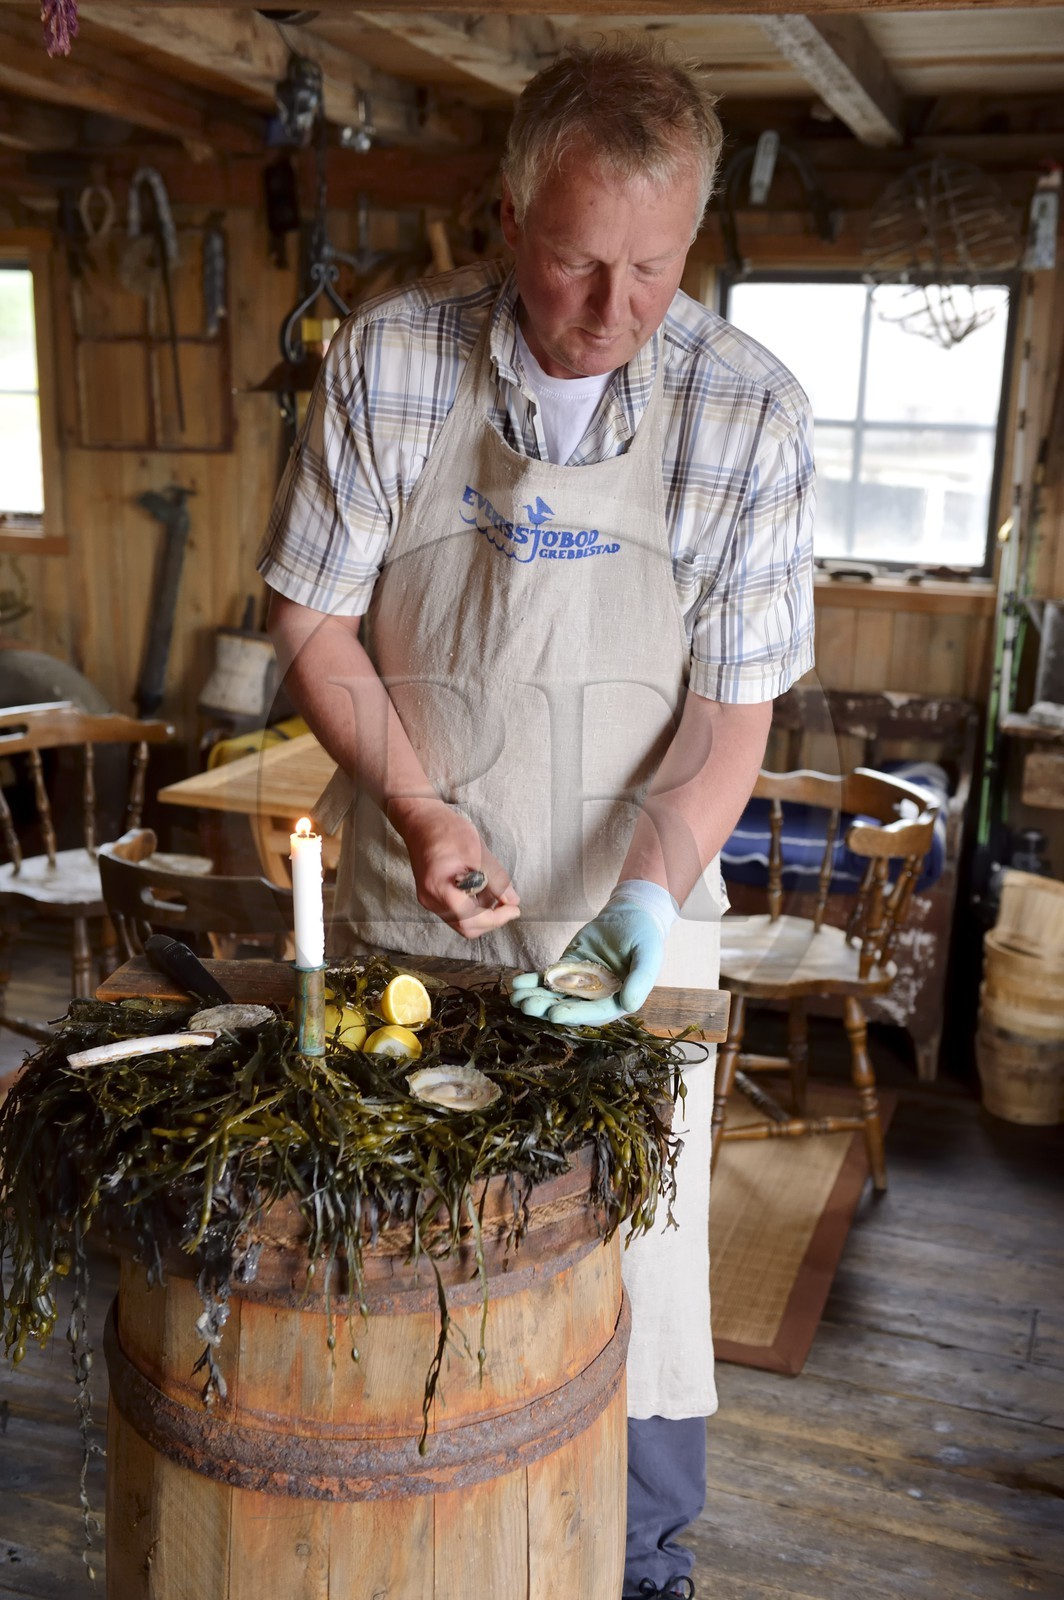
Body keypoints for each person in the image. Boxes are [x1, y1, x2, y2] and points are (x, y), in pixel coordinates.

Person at [260, 36, 814, 1599]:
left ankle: (643, 1562)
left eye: (654, 267)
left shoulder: (747, 412)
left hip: (632, 918)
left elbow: (735, 709)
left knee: (638, 1263)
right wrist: (426, 810)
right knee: (395, 1263)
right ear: (507, 216)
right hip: (397, 899)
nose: (612, 310)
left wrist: (646, 895)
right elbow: (313, 625)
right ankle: (385, 1541)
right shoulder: (394, 358)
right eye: (577, 262)